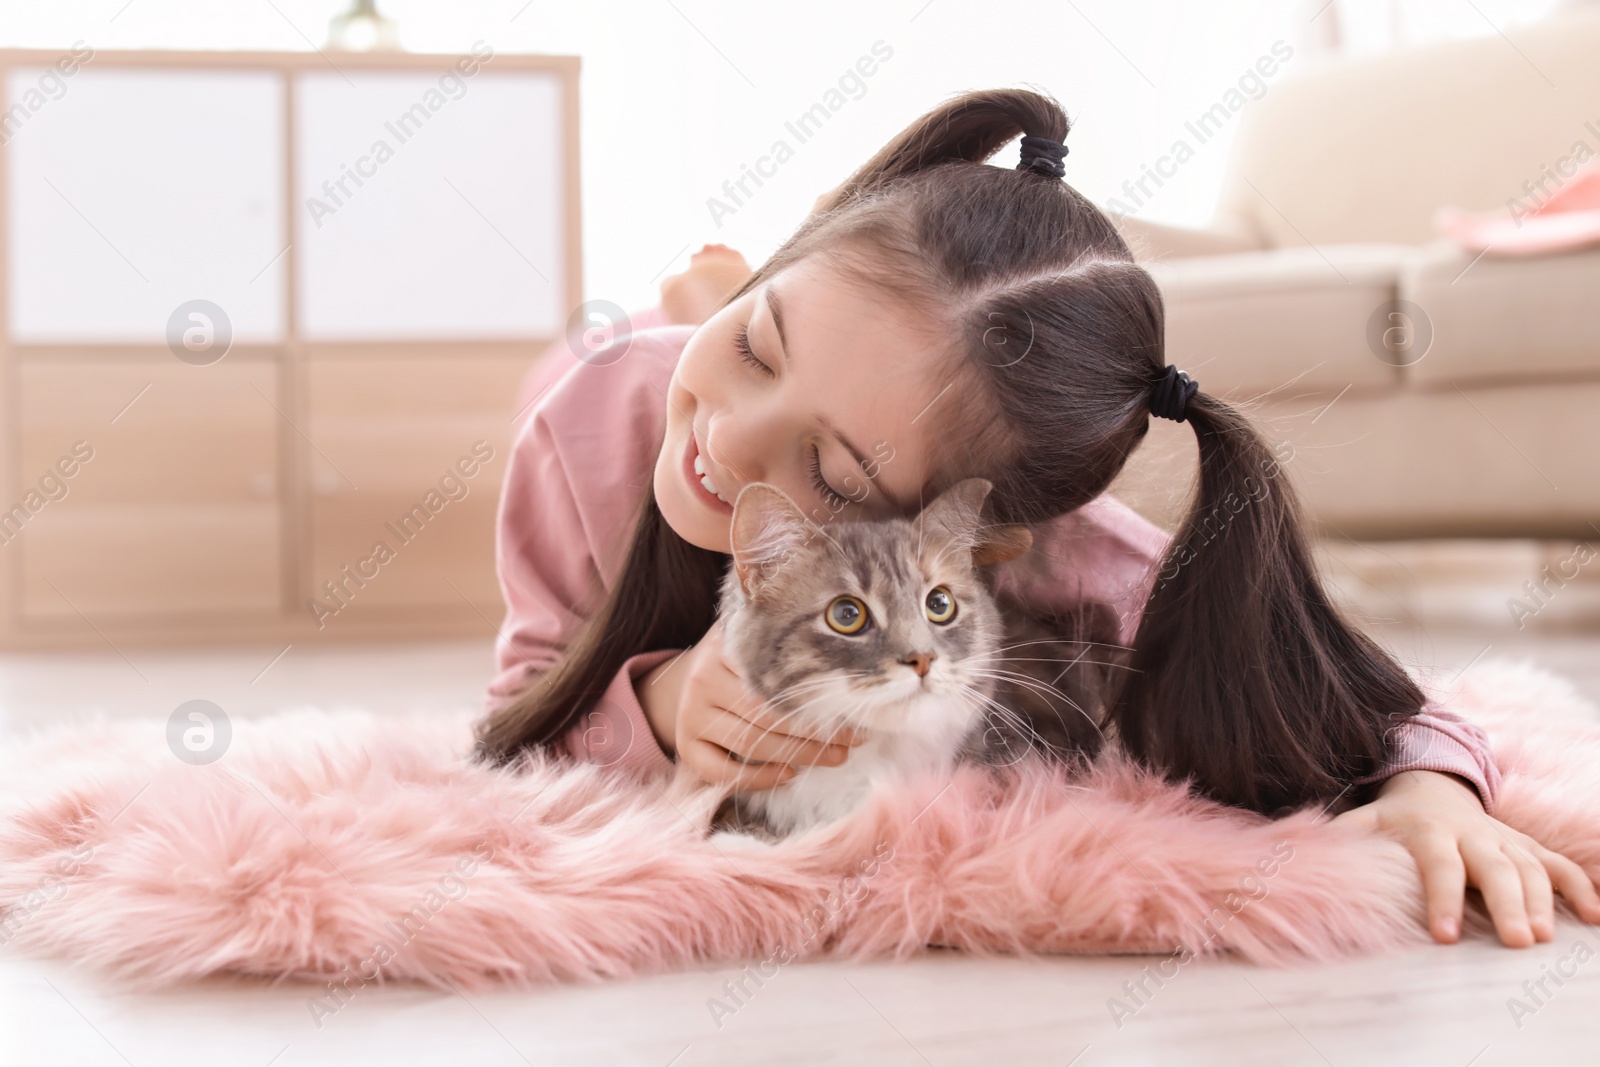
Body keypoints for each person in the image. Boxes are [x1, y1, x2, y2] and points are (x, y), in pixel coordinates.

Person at [477, 88, 1600, 949]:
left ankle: (725, 305)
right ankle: (704, 300)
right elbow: (521, 701)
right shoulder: (598, 416)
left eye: (833, 465)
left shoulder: (1070, 560)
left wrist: (1429, 789)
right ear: (808, 237)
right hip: (630, 358)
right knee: (639, 353)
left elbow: (1366, 698)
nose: (726, 444)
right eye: (759, 343)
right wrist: (660, 705)